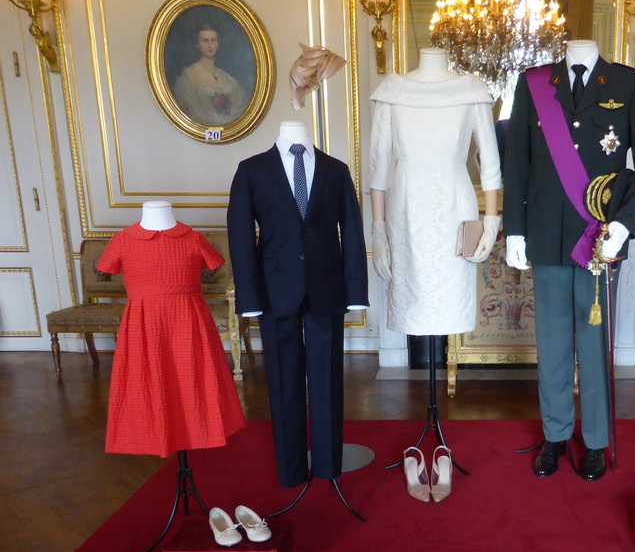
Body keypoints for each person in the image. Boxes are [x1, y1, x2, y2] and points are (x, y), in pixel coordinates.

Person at [503, 39, 635, 481]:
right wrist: (515, 228)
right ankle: (555, 435)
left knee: (594, 344)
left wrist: (625, 225)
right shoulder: (534, 82)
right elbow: (516, 159)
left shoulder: (631, 83)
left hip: (598, 236)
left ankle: (595, 440)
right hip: (545, 234)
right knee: (552, 342)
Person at [227, 121, 368, 488]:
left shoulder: (336, 169)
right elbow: (241, 235)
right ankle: (290, 471)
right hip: (276, 290)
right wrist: (249, 297)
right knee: (283, 381)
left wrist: (356, 292)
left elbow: (351, 229)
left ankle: (327, 466)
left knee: (327, 380)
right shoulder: (252, 170)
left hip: (327, 287)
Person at [368, 47, 501, 335]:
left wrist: (491, 223)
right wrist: (378, 233)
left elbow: (490, 163)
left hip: (454, 210)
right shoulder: (392, 92)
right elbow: (378, 169)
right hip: (405, 210)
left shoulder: (471, 92)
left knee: (451, 296)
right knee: (411, 300)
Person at [97, 201, 245, 457]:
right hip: (144, 325)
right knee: (150, 381)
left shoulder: (194, 238)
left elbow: (215, 265)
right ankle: (156, 436)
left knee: (193, 380)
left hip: (189, 322)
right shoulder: (122, 240)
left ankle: (199, 431)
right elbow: (104, 270)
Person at [172, 24, 248, 126]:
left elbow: (240, 105)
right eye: (205, 41)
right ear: (198, 44)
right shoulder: (188, 76)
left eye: (213, 40)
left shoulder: (227, 78)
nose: (210, 45)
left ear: (218, 44)